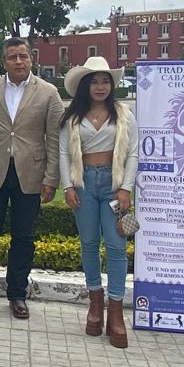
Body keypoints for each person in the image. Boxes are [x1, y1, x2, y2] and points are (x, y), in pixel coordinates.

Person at [0, 36, 63, 320]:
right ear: (4, 61)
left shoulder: (48, 93)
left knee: (24, 237)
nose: (18, 61)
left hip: (30, 174)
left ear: (31, 58)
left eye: (23, 56)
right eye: (12, 57)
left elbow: (55, 139)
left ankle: (17, 295)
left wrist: (51, 178)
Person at [58, 56, 138, 348]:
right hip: (84, 184)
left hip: (114, 186)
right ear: (84, 85)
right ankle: (95, 304)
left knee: (117, 247)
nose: (101, 86)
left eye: (105, 81)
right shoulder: (72, 118)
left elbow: (133, 154)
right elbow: (65, 154)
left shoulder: (124, 114)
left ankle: (115, 313)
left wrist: (126, 189)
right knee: (89, 244)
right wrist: (67, 186)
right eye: (95, 81)